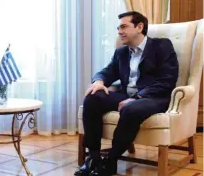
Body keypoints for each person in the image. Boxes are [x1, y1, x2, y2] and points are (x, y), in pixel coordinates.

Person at [74, 11, 179, 176]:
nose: (119, 31)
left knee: (132, 109)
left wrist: (137, 97)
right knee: (92, 97)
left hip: (153, 98)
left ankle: (111, 159)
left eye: (124, 26)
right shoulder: (121, 52)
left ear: (139, 27)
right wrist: (99, 81)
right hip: (127, 96)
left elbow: (167, 80)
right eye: (118, 28)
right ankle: (93, 158)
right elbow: (107, 72)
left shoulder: (161, 46)